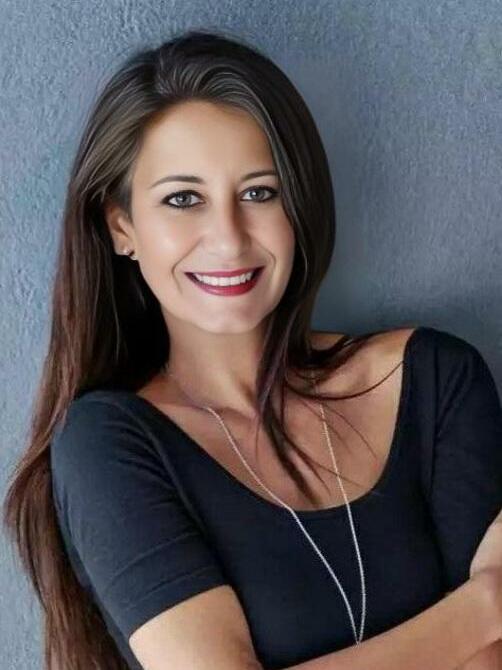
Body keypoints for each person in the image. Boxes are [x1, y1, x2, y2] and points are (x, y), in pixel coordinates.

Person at [3, 28, 502, 670]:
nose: (229, 238)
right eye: (183, 199)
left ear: (299, 205)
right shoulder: (109, 444)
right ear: (122, 225)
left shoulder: (434, 381)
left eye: (259, 192)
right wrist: (479, 608)